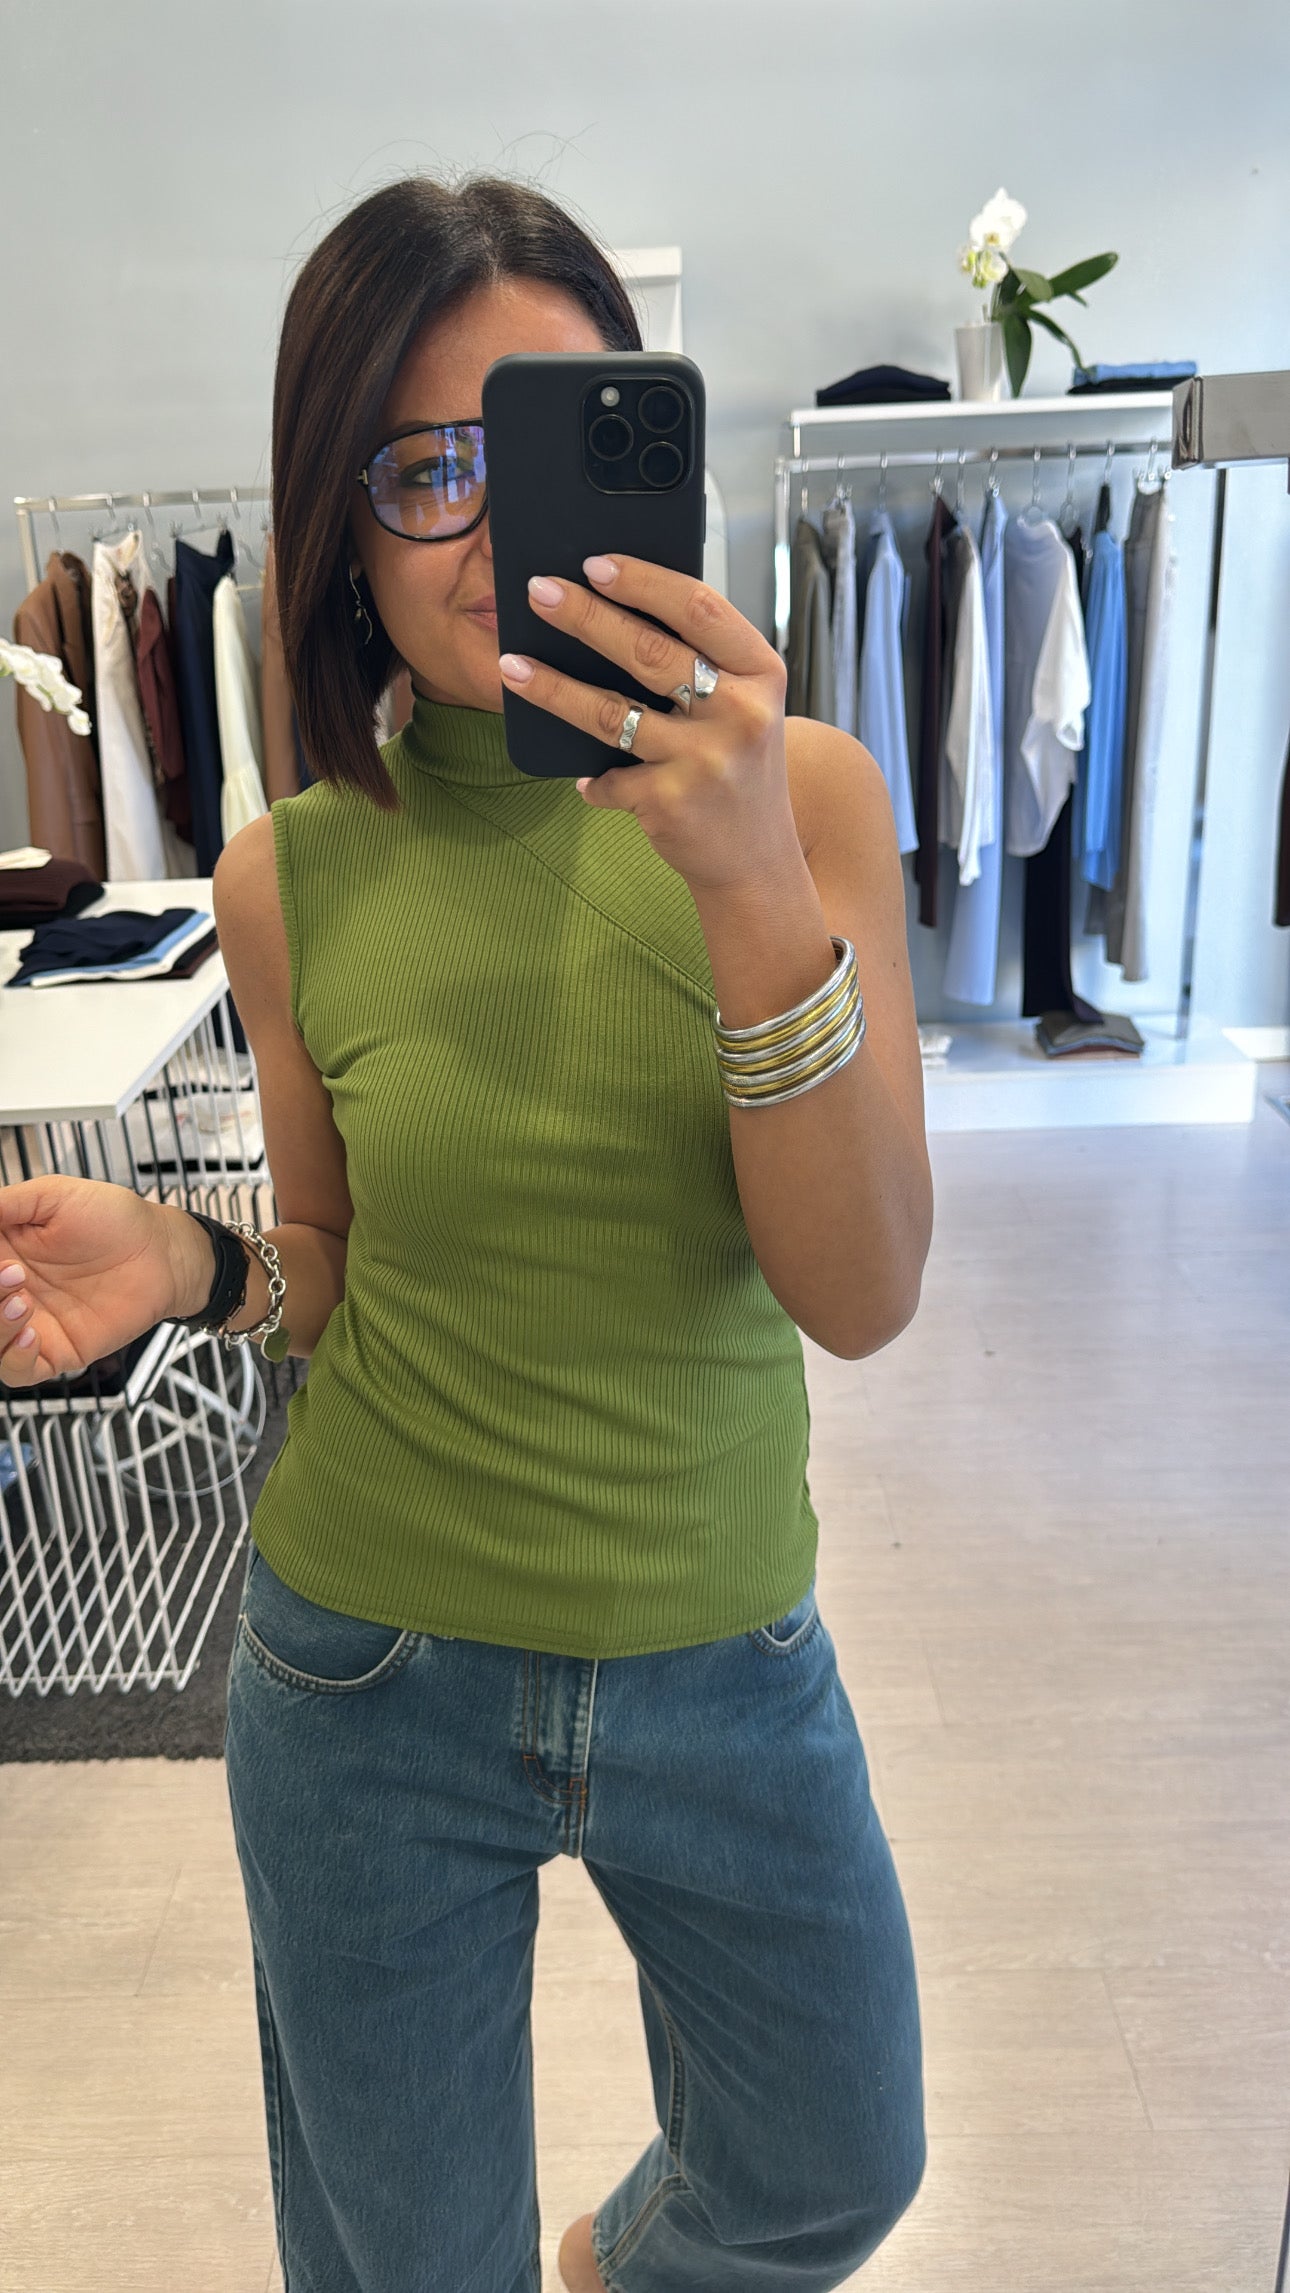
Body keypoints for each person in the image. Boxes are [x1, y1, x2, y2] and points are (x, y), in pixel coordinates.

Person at [0, 174, 933, 2293]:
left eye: (546, 443)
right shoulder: (290, 874)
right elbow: (329, 1260)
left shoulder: (809, 799)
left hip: (720, 1651)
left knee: (832, 2160)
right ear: (334, 519)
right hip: (368, 1672)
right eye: (426, 468)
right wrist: (194, 1266)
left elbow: (865, 1293)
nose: (494, 525)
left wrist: (747, 883)